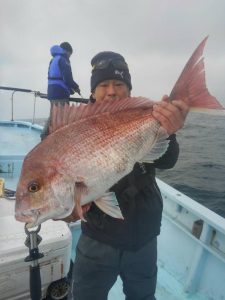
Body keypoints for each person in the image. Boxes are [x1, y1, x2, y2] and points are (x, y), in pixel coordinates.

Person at [68, 51, 189, 300]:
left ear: (129, 91)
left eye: (119, 84)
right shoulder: (73, 127)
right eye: (103, 85)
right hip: (97, 238)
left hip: (143, 235)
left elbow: (168, 160)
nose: (111, 91)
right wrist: (68, 209)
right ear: (92, 92)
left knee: (142, 296)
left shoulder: (146, 115)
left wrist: (170, 130)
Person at [41, 42, 81, 140]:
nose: (70, 57)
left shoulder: (53, 59)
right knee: (61, 118)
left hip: (52, 91)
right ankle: (47, 137)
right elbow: (67, 78)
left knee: (53, 115)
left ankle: (45, 136)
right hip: (60, 92)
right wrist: (76, 87)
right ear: (67, 52)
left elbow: (55, 77)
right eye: (70, 54)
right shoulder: (63, 59)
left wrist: (69, 89)